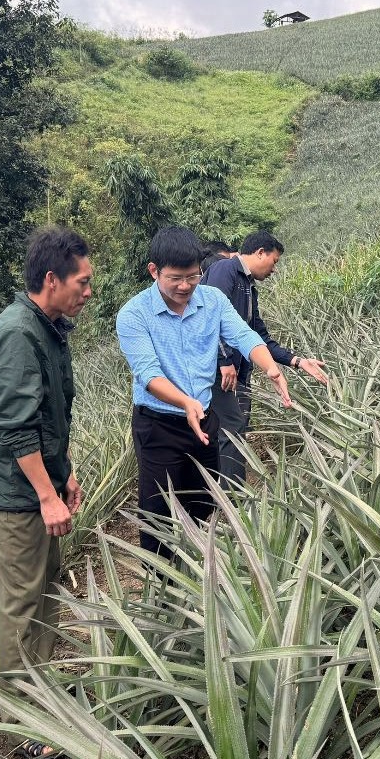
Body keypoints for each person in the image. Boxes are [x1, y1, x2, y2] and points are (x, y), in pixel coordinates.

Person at [0, 227, 91, 736]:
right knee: (22, 601)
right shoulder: (17, 335)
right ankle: (23, 724)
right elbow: (17, 428)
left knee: (44, 590)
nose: (89, 292)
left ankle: (41, 695)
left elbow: (49, 417)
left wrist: (65, 476)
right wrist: (46, 495)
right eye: (82, 282)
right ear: (51, 279)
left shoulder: (47, 326)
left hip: (39, 486)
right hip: (19, 494)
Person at [116, 226, 292, 556]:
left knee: (201, 500)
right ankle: (160, 580)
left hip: (204, 420)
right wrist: (185, 402)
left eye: (192, 276)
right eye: (175, 278)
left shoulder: (212, 300)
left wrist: (271, 367)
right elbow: (148, 374)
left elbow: (244, 335)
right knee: (158, 511)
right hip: (159, 426)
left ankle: (196, 566)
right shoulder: (134, 314)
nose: (185, 286)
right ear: (154, 271)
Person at [204, 229, 328, 486]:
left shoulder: (249, 287)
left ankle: (225, 490)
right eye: (274, 261)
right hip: (214, 370)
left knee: (233, 429)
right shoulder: (225, 270)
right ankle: (231, 496)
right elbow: (209, 316)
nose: (274, 269)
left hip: (236, 371)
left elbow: (259, 337)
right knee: (232, 427)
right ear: (260, 252)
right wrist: (224, 360)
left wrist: (296, 361)